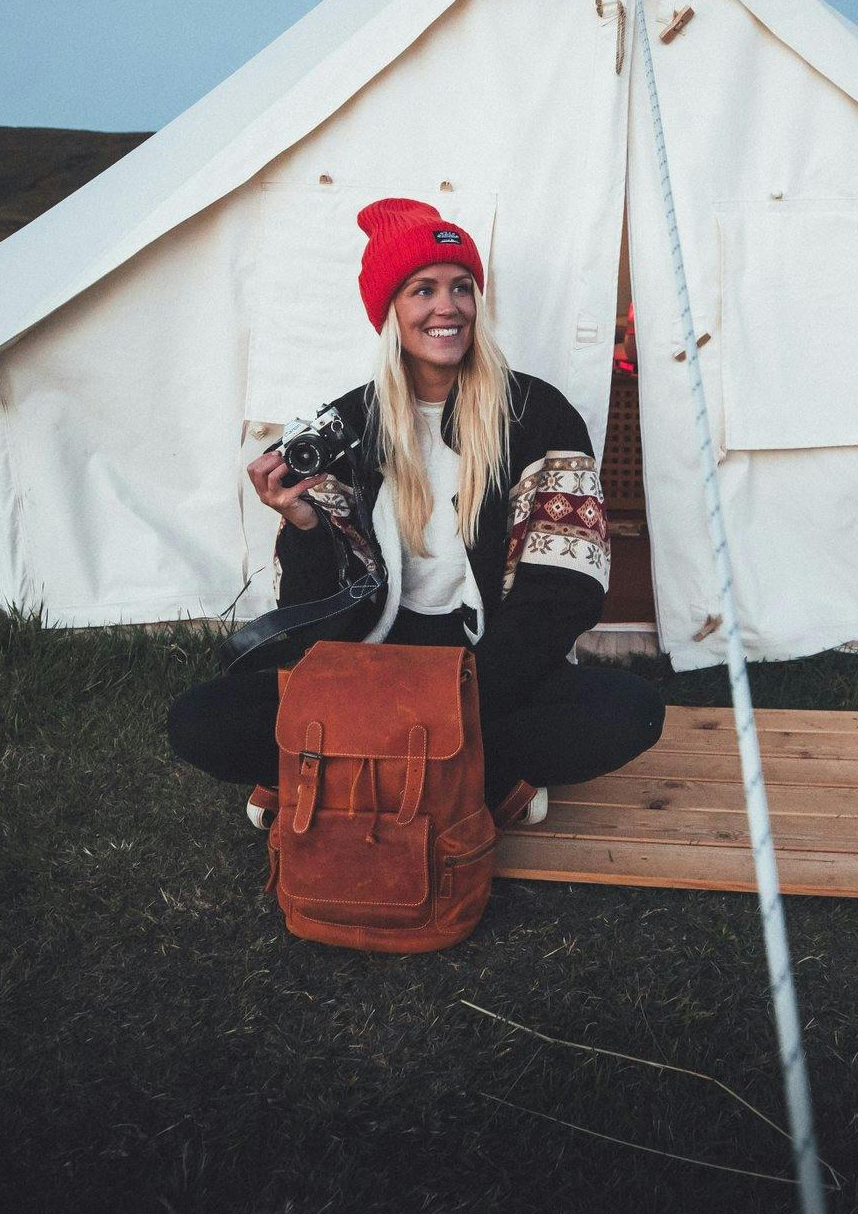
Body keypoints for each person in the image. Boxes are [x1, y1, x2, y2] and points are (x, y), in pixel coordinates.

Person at [167, 196, 665, 826]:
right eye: (421, 289)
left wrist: (457, 703)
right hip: (372, 660)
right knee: (200, 719)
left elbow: (564, 594)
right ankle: (474, 783)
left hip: (487, 665)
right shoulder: (346, 425)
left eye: (461, 287)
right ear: (390, 313)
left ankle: (339, 774)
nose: (446, 306)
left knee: (626, 710)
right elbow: (314, 605)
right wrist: (303, 528)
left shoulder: (538, 416)